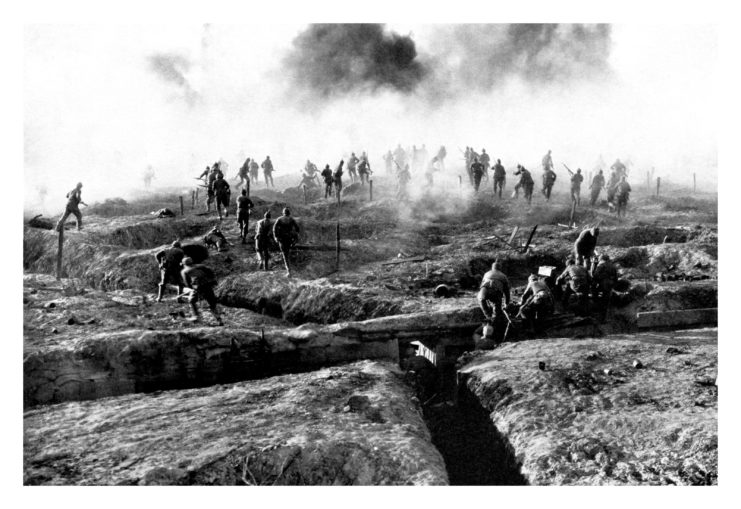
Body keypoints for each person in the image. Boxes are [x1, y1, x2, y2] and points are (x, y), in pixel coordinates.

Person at [180, 257, 223, 325]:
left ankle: (196, 316)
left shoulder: (184, 271)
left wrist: (193, 289)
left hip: (198, 287)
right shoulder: (201, 266)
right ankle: (219, 319)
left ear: (184, 264)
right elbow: (211, 273)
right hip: (208, 285)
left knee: (191, 300)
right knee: (211, 303)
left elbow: (187, 283)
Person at [273, 207, 300, 277]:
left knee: (285, 255)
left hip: (282, 239)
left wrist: (276, 237)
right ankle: (293, 269)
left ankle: (289, 271)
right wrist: (295, 236)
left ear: (283, 213)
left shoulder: (279, 219)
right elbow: (297, 228)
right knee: (289, 252)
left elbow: (274, 229)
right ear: (289, 213)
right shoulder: (291, 219)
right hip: (290, 238)